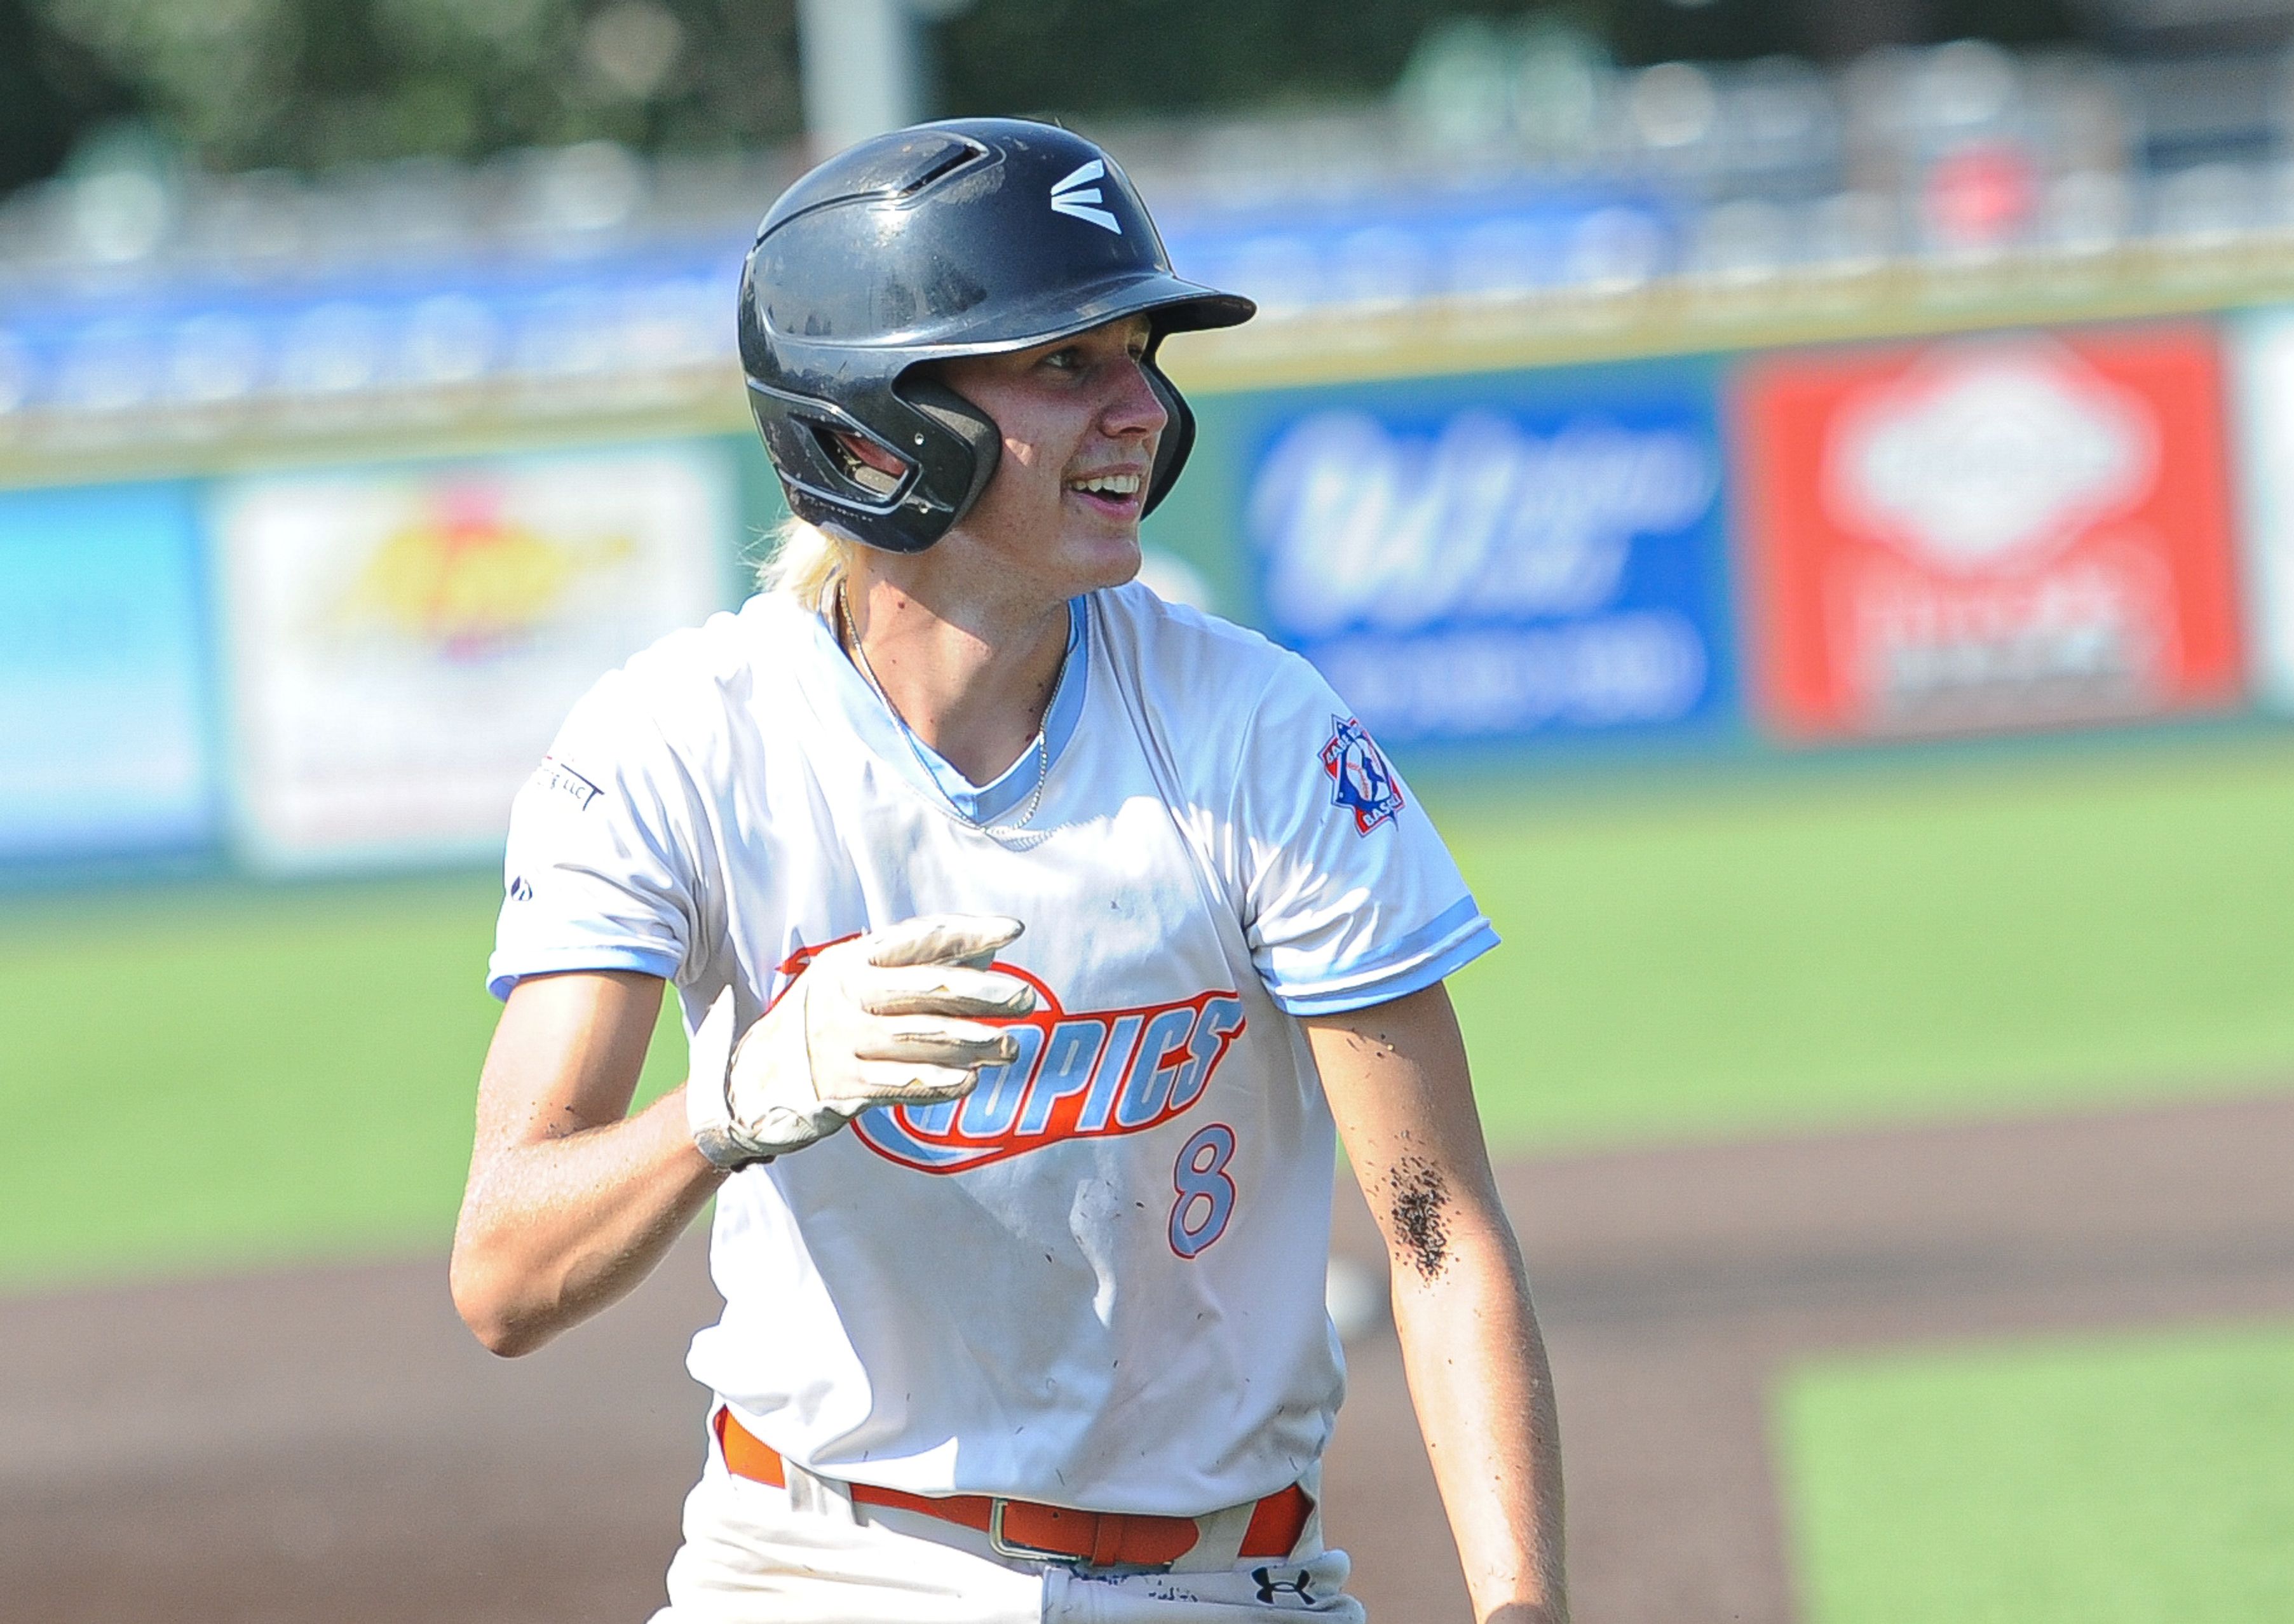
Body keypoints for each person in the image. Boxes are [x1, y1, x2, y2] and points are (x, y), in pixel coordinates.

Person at [449, 117, 1567, 1624]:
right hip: (813, 1566)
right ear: (870, 424)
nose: (1142, 412)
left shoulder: (1256, 728)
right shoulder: (672, 743)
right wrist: (731, 1105)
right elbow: (506, 1275)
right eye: (1066, 366)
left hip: (1232, 1581)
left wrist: (1522, 1608)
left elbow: (1439, 1239)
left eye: (1142, 357)